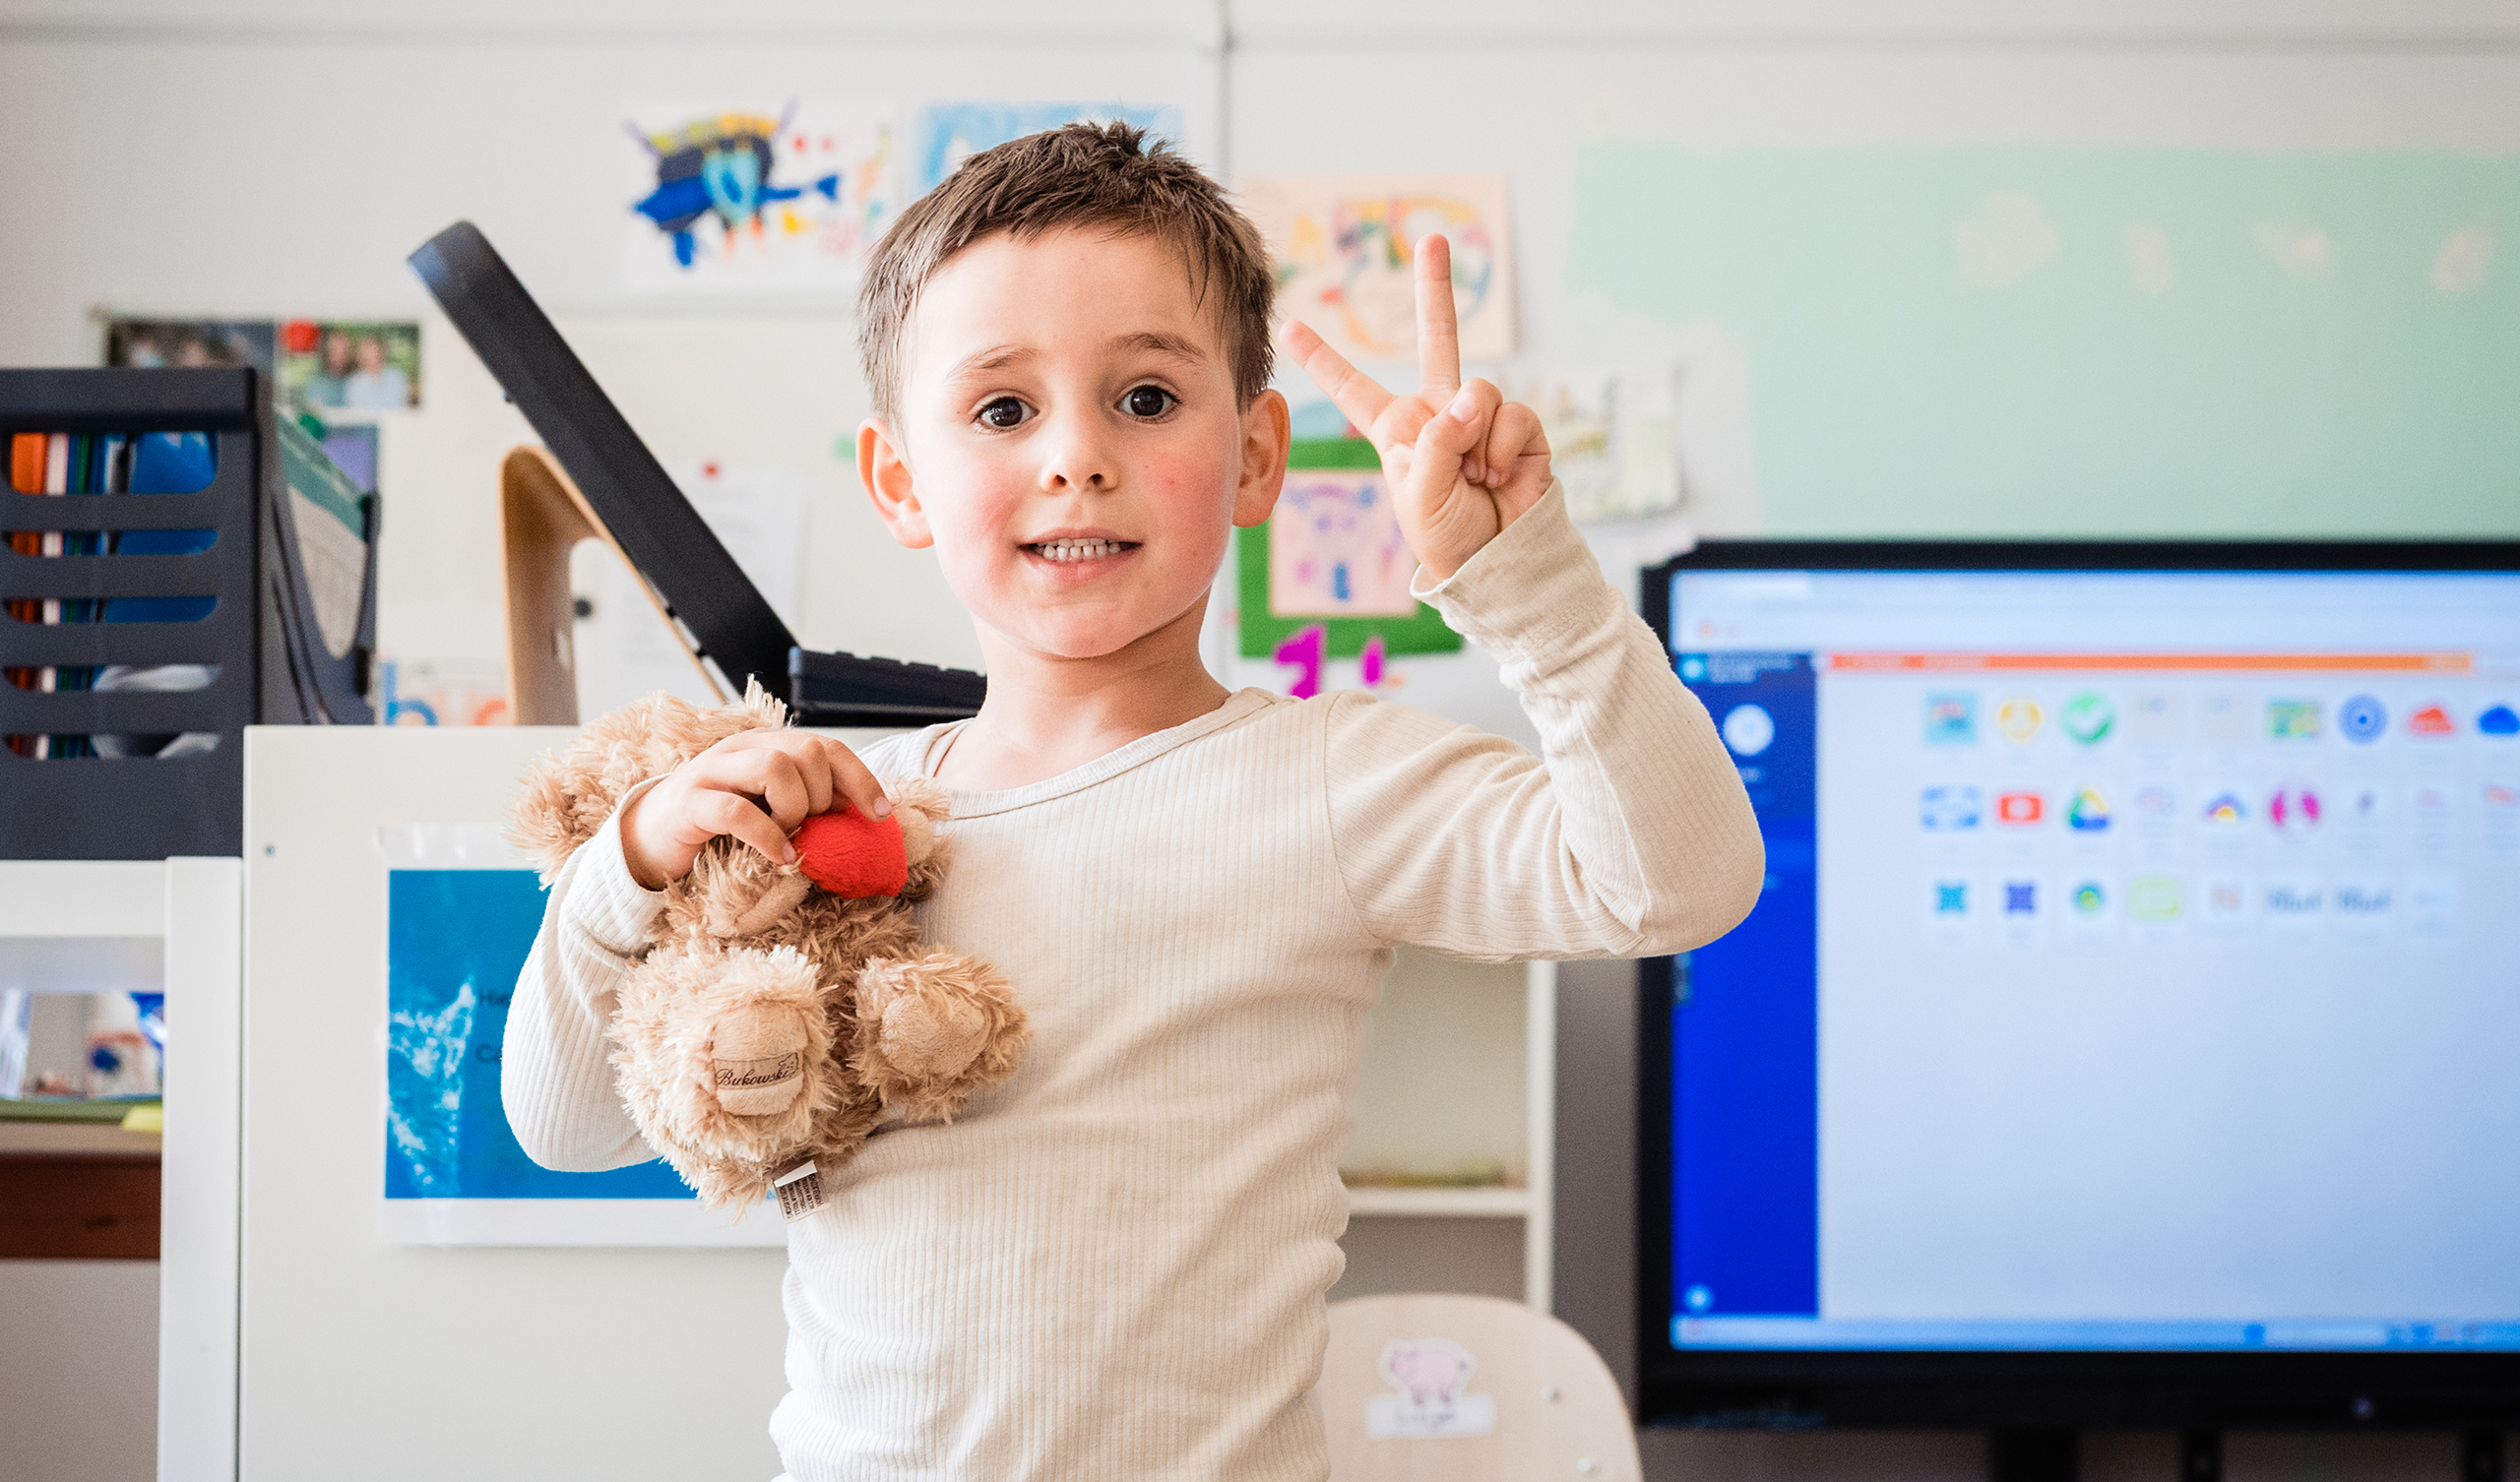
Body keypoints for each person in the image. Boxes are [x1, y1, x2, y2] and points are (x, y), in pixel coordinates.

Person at [502, 123, 1763, 1482]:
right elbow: (567, 1126)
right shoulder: (826, 817)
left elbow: (1680, 879)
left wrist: (1530, 577)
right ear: (899, 480)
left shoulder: (1330, 779)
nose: (1076, 457)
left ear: (1258, 455)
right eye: (1002, 409)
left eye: (1148, 397)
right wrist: (623, 865)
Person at [340, 331, 410, 409]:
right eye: (364, 349)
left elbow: (407, 408)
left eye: (371, 347)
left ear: (381, 350)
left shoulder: (398, 376)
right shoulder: (354, 383)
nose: (368, 353)